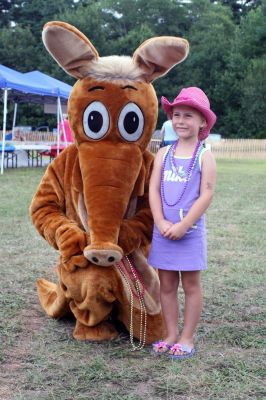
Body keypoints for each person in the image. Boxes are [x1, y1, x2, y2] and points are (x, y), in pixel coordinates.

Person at [148, 87, 217, 359]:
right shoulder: (163, 155)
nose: (181, 121)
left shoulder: (204, 157)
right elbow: (153, 190)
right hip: (163, 230)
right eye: (176, 114)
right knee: (166, 285)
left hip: (189, 232)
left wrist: (183, 225)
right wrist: (161, 221)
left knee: (190, 285)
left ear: (202, 122)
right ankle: (170, 334)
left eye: (189, 115)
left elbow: (207, 194)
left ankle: (187, 337)